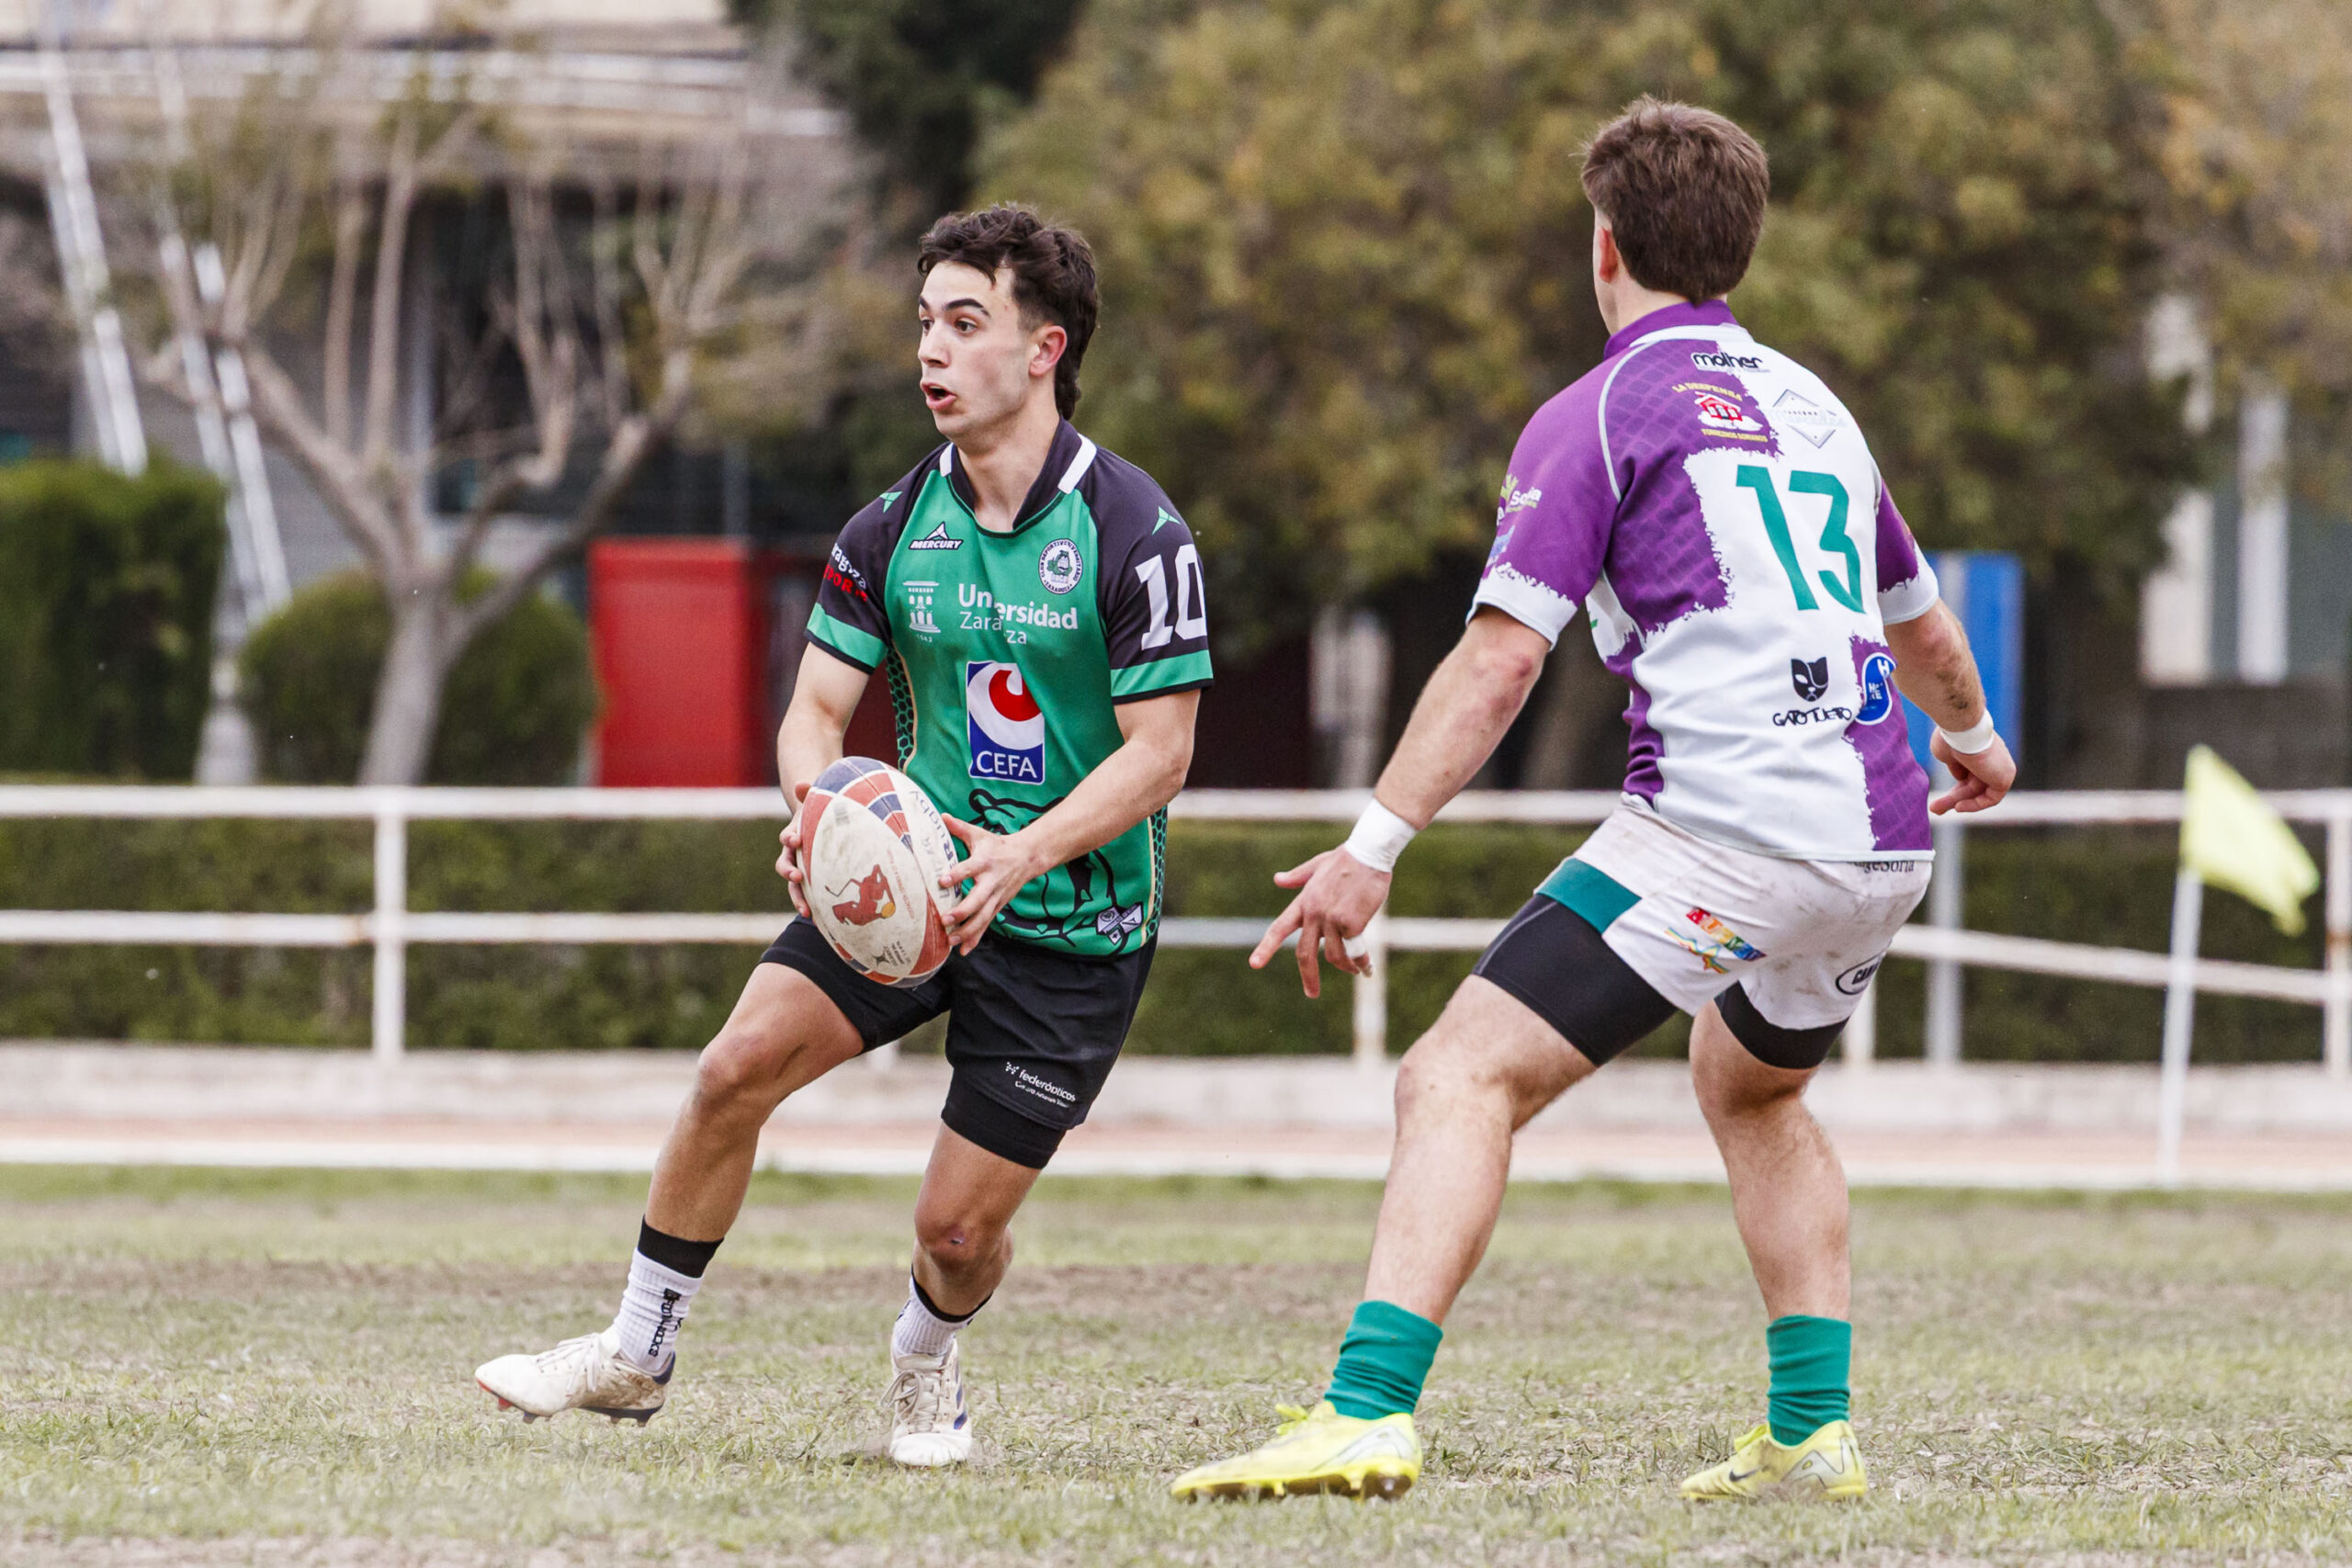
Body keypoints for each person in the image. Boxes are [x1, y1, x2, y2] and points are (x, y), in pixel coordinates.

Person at [1170, 97, 2014, 1505]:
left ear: (1606, 245)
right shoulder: (1817, 407)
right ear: (1738, 250)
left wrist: (1370, 847)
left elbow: (1502, 662)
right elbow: (1916, 623)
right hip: (1879, 838)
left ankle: (1367, 1410)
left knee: (1457, 1074)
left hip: (1728, 831)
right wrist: (1976, 737)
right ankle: (1813, 1429)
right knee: (1753, 1086)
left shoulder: (1606, 408)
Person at [476, 204, 1211, 1468]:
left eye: (965, 324)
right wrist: (816, 816)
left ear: (1044, 349)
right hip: (911, 888)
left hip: (1070, 922)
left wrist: (1023, 854)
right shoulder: (889, 530)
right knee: (729, 1072)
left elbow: (1163, 752)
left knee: (958, 1237)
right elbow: (814, 710)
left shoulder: (1136, 537)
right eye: (924, 321)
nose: (931, 350)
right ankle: (636, 1352)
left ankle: (926, 1364)